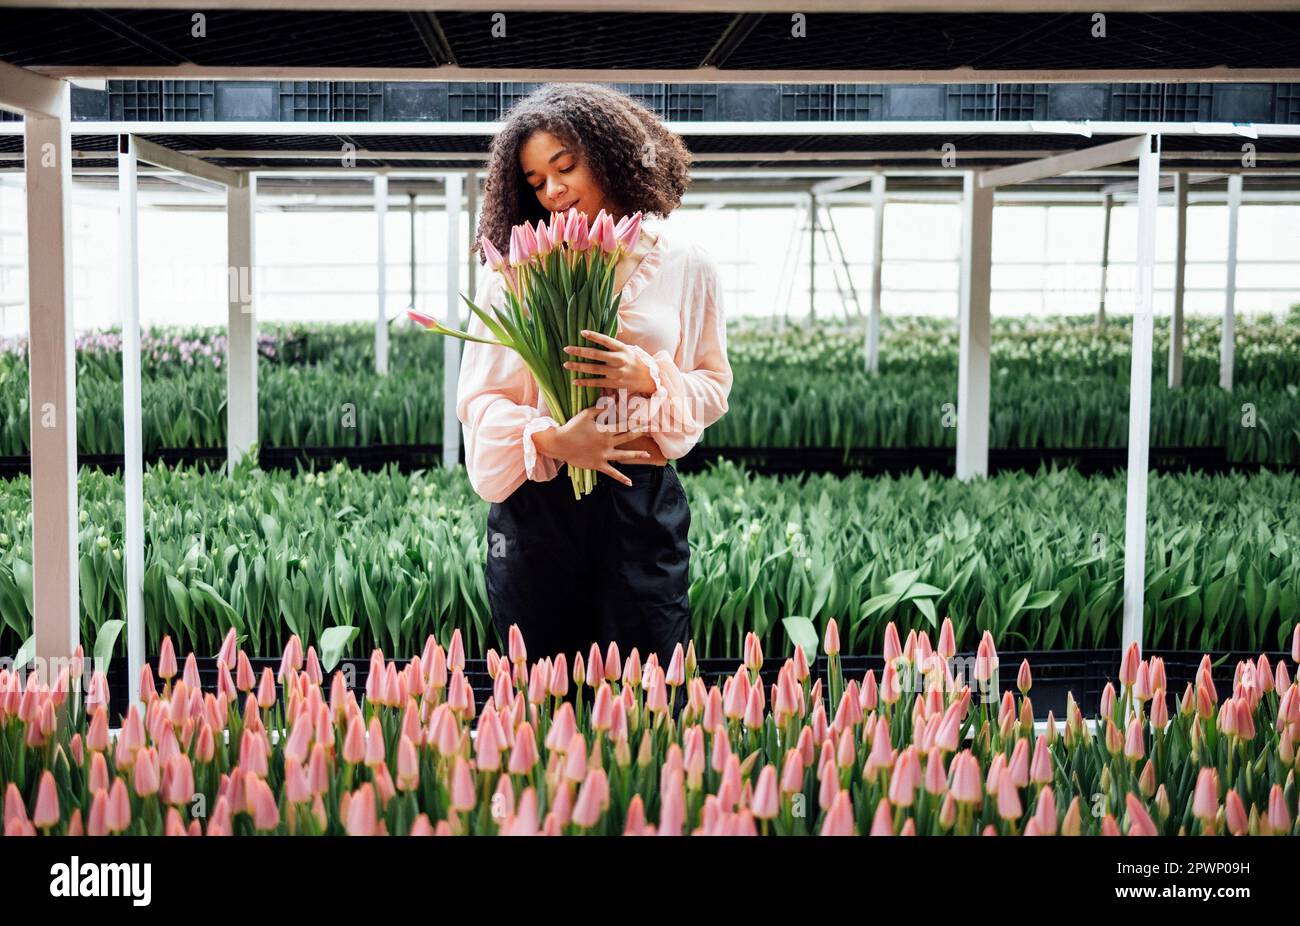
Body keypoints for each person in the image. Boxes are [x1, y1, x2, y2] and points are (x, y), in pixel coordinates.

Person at [456, 83, 733, 677]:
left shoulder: (685, 263)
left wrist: (650, 378)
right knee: (541, 697)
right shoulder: (513, 268)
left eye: (565, 166)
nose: (552, 191)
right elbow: (478, 402)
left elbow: (712, 386)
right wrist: (554, 441)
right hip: (539, 507)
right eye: (535, 181)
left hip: (641, 505)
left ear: (611, 154)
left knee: (648, 695)